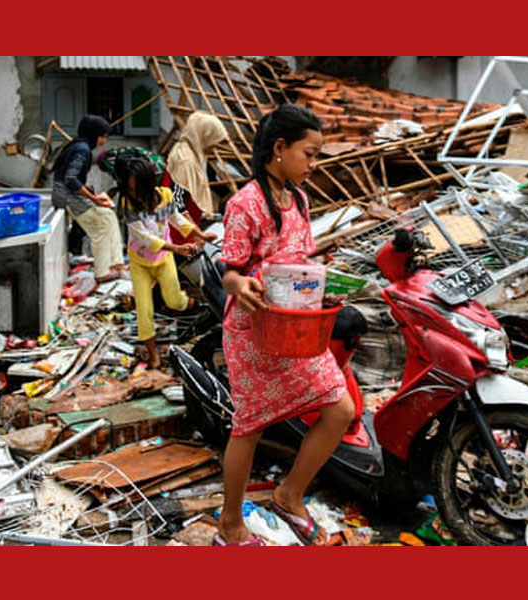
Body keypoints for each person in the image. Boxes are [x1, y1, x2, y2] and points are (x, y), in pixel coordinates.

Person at [216, 104, 355, 546]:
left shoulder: (298, 198)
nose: (314, 165)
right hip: (253, 331)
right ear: (280, 148)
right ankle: (230, 523)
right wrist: (241, 286)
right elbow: (230, 272)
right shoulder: (245, 204)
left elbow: (301, 259)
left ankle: (289, 493)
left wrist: (325, 283)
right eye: (309, 154)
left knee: (340, 409)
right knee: (250, 426)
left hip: (296, 327)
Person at [114, 155, 217, 369]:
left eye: (139, 189)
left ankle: (192, 303)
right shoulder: (126, 205)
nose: (136, 195)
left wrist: (199, 234)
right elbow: (144, 237)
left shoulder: (165, 196)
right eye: (131, 190)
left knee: (174, 302)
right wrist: (177, 248)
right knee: (144, 311)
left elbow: (177, 219)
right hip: (140, 261)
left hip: (163, 258)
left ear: (149, 184)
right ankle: (154, 356)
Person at [52, 115, 124, 283]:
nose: (104, 140)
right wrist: (93, 197)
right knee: (101, 226)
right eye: (103, 136)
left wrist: (88, 190)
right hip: (67, 196)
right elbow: (70, 179)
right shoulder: (82, 150)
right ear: (94, 134)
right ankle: (102, 272)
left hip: (66, 193)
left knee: (109, 215)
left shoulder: (78, 146)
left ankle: (116, 263)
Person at [164, 112, 229, 244]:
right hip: (177, 237)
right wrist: (196, 234)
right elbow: (176, 202)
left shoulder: (193, 156)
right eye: (213, 142)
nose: (215, 148)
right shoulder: (184, 161)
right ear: (203, 137)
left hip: (185, 233)